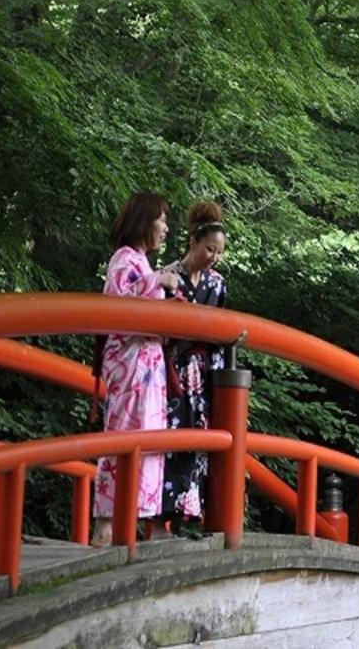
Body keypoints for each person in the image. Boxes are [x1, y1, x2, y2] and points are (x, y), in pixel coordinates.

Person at [91, 191, 179, 548]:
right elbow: (116, 304)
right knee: (121, 440)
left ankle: (132, 522)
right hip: (129, 366)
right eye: (162, 220)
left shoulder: (141, 262)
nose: (166, 228)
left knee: (147, 441)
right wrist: (157, 282)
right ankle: (106, 526)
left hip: (148, 365)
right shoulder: (124, 259)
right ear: (145, 221)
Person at [160, 200, 228, 533]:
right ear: (193, 243)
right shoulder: (169, 276)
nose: (213, 257)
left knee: (200, 443)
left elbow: (224, 333)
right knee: (171, 440)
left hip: (205, 374)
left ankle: (190, 518)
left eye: (218, 252)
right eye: (209, 249)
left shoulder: (217, 285)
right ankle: (162, 516)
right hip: (174, 370)